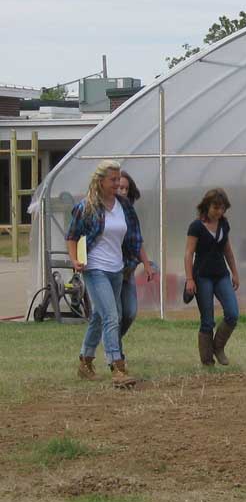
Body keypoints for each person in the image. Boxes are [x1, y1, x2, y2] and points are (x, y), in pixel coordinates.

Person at [66, 160, 144, 388]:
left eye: (118, 179)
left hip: (117, 269)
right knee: (112, 315)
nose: (117, 184)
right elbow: (71, 236)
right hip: (95, 268)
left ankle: (85, 361)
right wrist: (75, 260)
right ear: (100, 182)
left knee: (101, 316)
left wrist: (140, 261)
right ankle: (117, 367)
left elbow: (134, 236)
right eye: (113, 180)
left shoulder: (124, 206)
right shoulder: (86, 207)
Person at [184, 188, 240, 366]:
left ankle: (218, 347)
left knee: (232, 314)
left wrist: (235, 273)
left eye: (222, 208)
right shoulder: (196, 227)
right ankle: (207, 361)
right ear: (207, 206)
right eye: (216, 207)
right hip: (202, 277)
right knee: (207, 320)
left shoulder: (224, 224)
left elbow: (227, 250)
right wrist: (189, 279)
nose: (219, 212)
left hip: (221, 275)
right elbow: (188, 253)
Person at [115, 171, 155, 364]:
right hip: (110, 270)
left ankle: (113, 341)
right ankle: (116, 353)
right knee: (116, 314)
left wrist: (147, 264)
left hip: (127, 270)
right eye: (119, 187)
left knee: (130, 313)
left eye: (125, 188)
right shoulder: (105, 210)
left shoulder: (129, 212)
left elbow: (137, 241)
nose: (122, 191)